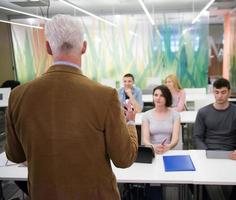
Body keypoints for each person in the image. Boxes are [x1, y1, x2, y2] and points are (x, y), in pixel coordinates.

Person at [5, 14, 138, 200]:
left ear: (48, 48)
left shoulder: (18, 96)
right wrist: (131, 123)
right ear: (84, 47)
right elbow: (124, 159)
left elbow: (15, 155)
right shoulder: (105, 96)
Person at [193, 78, 236, 200]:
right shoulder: (203, 112)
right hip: (207, 153)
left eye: (223, 92)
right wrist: (206, 152)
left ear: (229, 92)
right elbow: (197, 137)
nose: (219, 96)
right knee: (189, 178)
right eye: (217, 92)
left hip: (230, 154)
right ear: (213, 93)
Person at [142, 85, 180, 154]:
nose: (158, 98)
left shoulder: (175, 115)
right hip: (152, 151)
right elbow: (145, 140)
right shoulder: (146, 115)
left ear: (167, 97)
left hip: (169, 150)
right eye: (156, 95)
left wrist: (169, 146)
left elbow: (175, 138)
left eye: (162, 95)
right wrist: (153, 147)